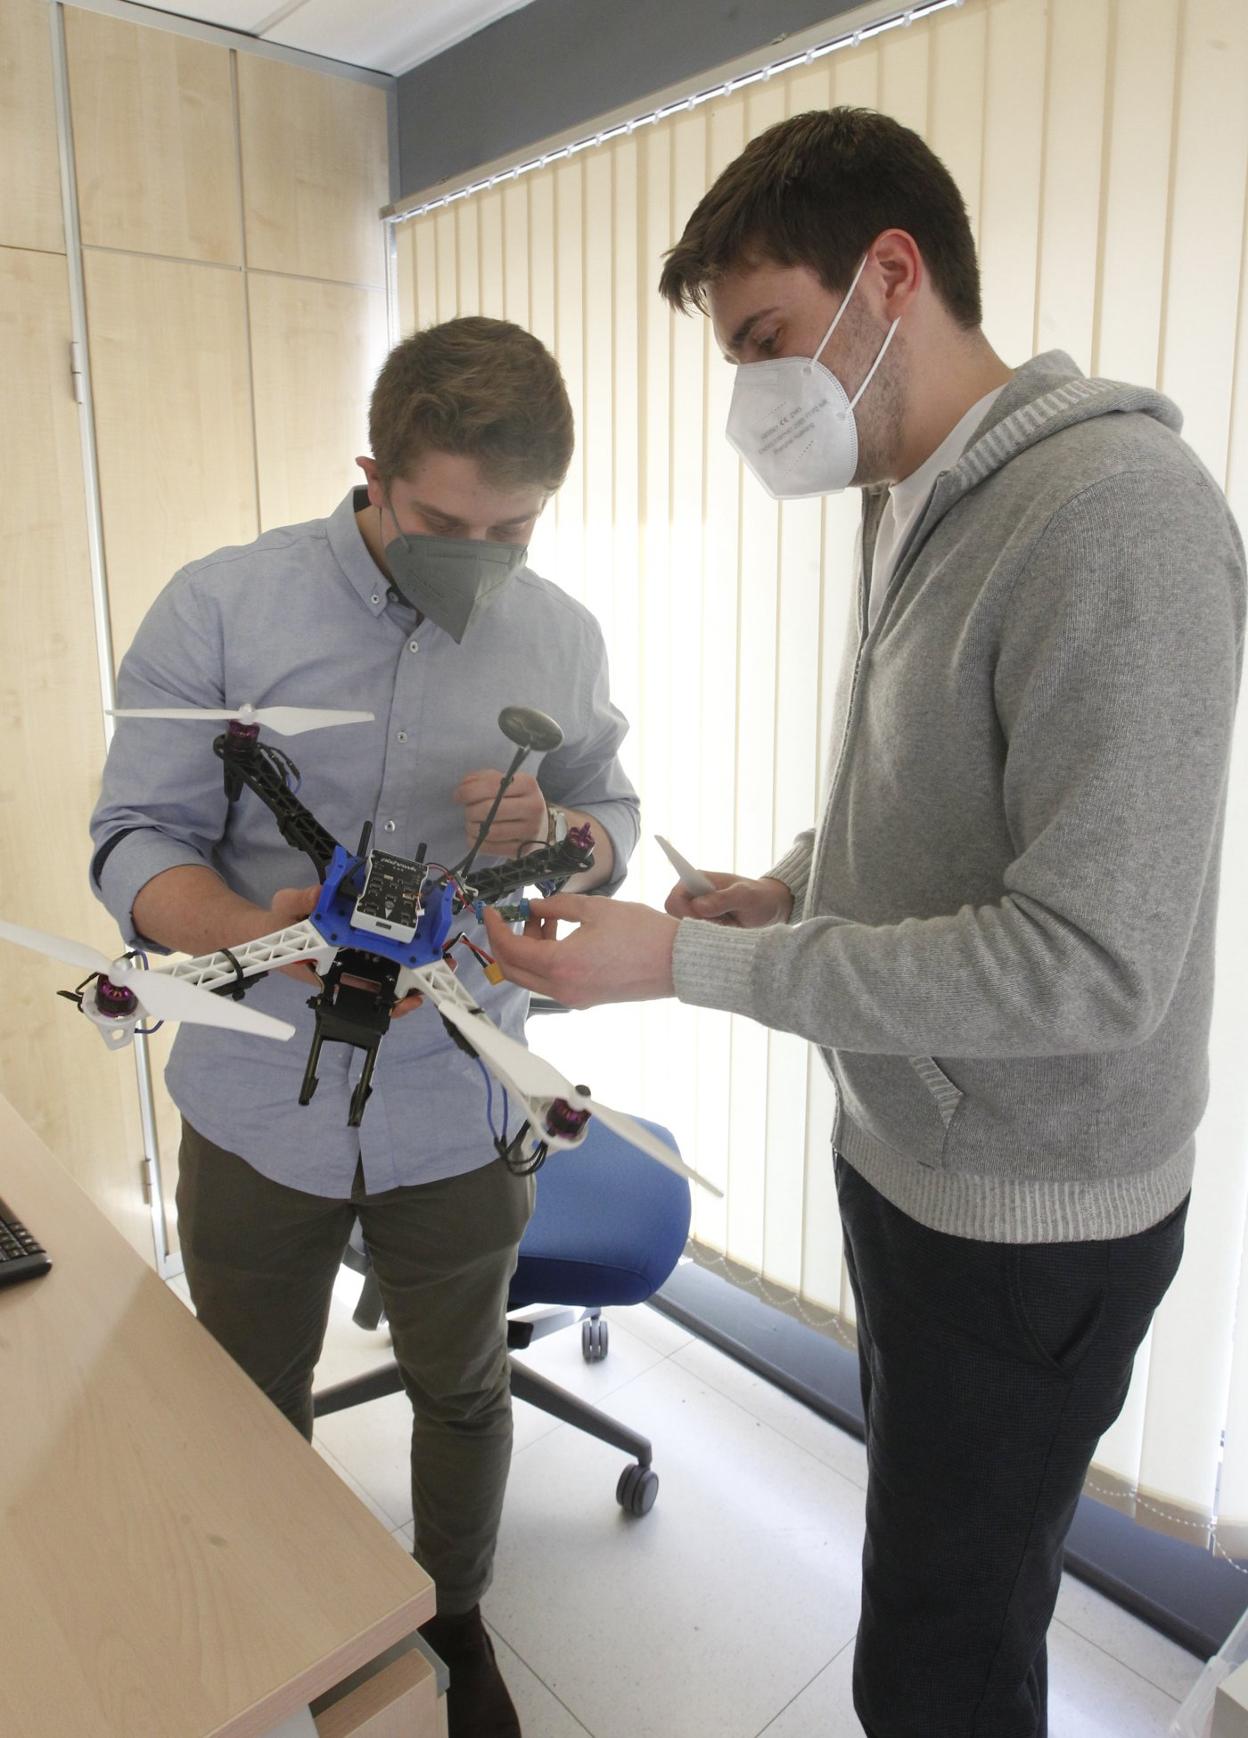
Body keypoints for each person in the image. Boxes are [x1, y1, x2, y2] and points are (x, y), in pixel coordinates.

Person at [483, 108, 1247, 1737]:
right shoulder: (911, 494)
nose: (757, 392)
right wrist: (799, 878)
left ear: (890, 275)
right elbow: (952, 802)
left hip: (1031, 1217)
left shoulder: (1118, 516)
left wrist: (690, 957)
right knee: (934, 1586)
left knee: (939, 1649)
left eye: (767, 337)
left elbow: (1090, 964)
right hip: (910, 1154)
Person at [90, 315, 639, 1738]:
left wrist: (564, 830)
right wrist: (257, 939)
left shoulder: (560, 633)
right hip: (256, 1099)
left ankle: (452, 1616)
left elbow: (615, 829)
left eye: (512, 528)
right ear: (373, 474)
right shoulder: (220, 606)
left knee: (465, 1393)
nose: (482, 554)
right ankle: (284, 1627)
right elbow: (130, 838)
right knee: (248, 1403)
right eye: (446, 520)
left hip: (456, 1111)